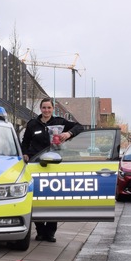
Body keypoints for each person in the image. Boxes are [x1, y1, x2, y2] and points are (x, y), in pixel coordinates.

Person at [20, 98, 83, 243]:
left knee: (53, 198)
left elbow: (79, 127)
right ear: (40, 109)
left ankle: (50, 232)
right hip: (37, 165)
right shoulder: (32, 124)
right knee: (37, 198)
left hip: (55, 165)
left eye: (49, 108)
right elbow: (25, 142)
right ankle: (40, 231)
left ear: (53, 109)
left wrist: (68, 134)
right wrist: (25, 153)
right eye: (44, 108)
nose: (46, 110)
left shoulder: (60, 122)